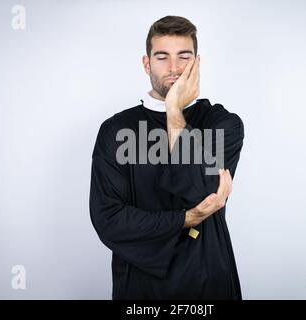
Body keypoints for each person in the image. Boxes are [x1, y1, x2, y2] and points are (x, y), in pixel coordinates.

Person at [89, 15, 245, 299]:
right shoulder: (115, 130)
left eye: (184, 56)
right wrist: (186, 218)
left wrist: (173, 110)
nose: (174, 68)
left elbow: (201, 189)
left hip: (208, 278)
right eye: (162, 57)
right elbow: (108, 218)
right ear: (146, 63)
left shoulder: (222, 123)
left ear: (197, 63)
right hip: (140, 285)